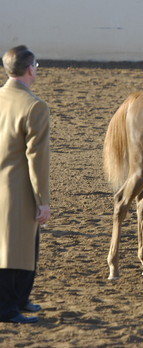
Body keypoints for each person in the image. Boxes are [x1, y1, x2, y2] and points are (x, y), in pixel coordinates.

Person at [0, 45, 52, 324]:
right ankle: (6, 307)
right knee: (14, 248)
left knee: (23, 244)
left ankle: (20, 298)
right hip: (16, 187)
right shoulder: (35, 106)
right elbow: (37, 158)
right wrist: (43, 199)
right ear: (30, 69)